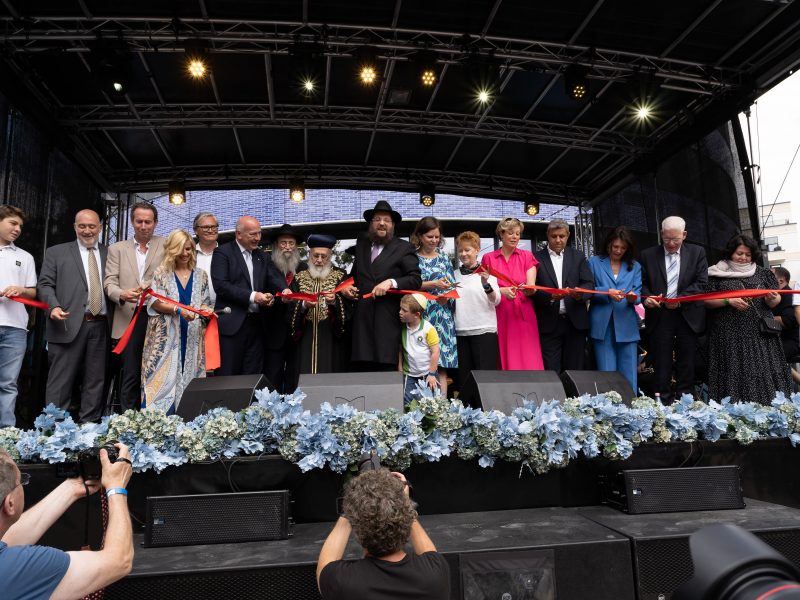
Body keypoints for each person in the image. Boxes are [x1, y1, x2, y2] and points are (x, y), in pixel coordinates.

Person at [0, 443, 133, 600]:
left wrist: (72, 488)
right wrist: (116, 487)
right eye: (22, 480)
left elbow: (9, 540)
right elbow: (118, 561)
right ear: (10, 503)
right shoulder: (29, 566)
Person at [317, 469, 450, 600]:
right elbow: (428, 550)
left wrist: (349, 507)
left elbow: (325, 565)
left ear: (357, 531)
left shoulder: (343, 583)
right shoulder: (435, 572)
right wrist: (405, 503)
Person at [38, 209, 110, 423]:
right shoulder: (56, 252)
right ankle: (53, 432)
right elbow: (44, 285)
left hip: (101, 325)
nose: (87, 231)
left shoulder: (110, 253)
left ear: (100, 227)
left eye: (92, 226)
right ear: (74, 227)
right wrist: (53, 307)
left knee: (95, 380)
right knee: (60, 382)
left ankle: (89, 428)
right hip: (66, 323)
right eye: (82, 226)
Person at [704, 235, 791, 404]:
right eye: (739, 253)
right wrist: (727, 301)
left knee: (763, 370)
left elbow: (775, 301)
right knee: (734, 372)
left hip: (761, 334)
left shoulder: (764, 273)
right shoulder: (716, 273)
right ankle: (735, 417)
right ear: (731, 253)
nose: (744, 258)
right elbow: (705, 302)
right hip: (729, 335)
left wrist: (772, 299)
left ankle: (770, 413)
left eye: (748, 255)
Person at [341, 200, 422, 371]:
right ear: (371, 224)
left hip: (388, 323)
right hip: (361, 322)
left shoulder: (404, 247)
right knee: (361, 373)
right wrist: (346, 288)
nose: (382, 223)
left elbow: (415, 280)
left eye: (386, 220)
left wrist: (391, 282)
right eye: (377, 219)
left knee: (386, 375)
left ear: (392, 225)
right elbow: (354, 277)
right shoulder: (362, 244)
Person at [141, 230, 212, 414]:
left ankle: (189, 420)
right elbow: (155, 302)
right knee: (163, 376)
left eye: (188, 249)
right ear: (172, 250)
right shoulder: (161, 273)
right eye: (180, 249)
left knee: (191, 374)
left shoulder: (201, 275)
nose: (185, 253)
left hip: (193, 334)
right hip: (166, 337)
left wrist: (206, 309)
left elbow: (204, 301)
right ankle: (158, 423)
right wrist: (178, 310)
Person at [104, 201, 165, 412]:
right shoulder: (116, 249)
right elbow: (109, 282)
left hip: (158, 318)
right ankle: (128, 419)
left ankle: (153, 418)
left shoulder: (166, 246)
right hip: (127, 318)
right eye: (139, 221)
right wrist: (122, 293)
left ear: (156, 223)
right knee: (130, 372)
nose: (143, 225)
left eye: (148, 221)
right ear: (132, 222)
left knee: (156, 371)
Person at [640, 216, 708, 402]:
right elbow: (642, 284)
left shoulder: (697, 252)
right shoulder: (648, 255)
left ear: (684, 235)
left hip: (687, 313)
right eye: (667, 239)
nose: (671, 244)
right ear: (661, 234)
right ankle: (662, 399)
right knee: (661, 360)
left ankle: (685, 399)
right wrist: (647, 299)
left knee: (687, 359)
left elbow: (702, 283)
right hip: (660, 314)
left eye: (675, 239)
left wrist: (680, 299)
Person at [211, 216, 280, 376]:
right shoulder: (223, 252)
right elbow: (221, 286)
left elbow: (274, 278)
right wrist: (253, 296)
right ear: (238, 234)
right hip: (232, 326)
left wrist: (282, 292)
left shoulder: (262, 256)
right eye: (253, 234)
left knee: (253, 376)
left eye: (259, 233)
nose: (257, 238)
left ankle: (250, 403)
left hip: (257, 325)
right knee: (228, 375)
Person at [480, 218, 544, 370]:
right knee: (502, 356)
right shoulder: (488, 258)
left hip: (523, 313)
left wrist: (530, 289)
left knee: (528, 356)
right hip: (499, 313)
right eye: (511, 233)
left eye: (518, 233)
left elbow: (531, 286)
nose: (515, 237)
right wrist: (501, 291)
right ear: (501, 234)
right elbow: (483, 286)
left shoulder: (527, 256)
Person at [532, 218, 595, 373]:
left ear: (568, 235)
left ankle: (574, 398)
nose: (558, 240)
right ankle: (555, 398)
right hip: (549, 322)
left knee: (575, 369)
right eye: (554, 236)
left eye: (562, 236)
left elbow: (589, 283)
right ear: (547, 235)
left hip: (575, 321)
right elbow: (532, 289)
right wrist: (551, 296)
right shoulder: (536, 257)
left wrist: (579, 294)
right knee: (551, 369)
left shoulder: (578, 256)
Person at [587, 226, 642, 393]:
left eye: (623, 248)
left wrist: (633, 297)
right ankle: (608, 410)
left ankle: (631, 407)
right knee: (606, 371)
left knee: (629, 372)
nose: (618, 251)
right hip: (601, 323)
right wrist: (606, 293)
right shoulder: (594, 262)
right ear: (608, 244)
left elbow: (638, 294)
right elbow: (588, 291)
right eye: (615, 246)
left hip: (626, 322)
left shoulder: (635, 266)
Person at [288, 234, 348, 375]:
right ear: (309, 255)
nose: (319, 260)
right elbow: (289, 309)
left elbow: (349, 310)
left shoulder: (341, 276)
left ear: (330, 256)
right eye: (316, 256)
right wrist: (303, 305)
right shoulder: (298, 277)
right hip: (304, 340)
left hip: (331, 340)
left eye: (324, 256)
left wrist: (334, 301)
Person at [0, 205, 37, 428]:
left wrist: (20, 290)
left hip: (15, 328)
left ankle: (5, 436)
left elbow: (33, 291)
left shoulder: (25, 257)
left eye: (20, 226)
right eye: (13, 223)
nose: (17, 229)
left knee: (8, 384)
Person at [411, 217, 457, 397]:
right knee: (421, 361)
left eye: (437, 237)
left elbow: (452, 285)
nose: (434, 240)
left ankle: (442, 406)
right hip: (421, 315)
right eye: (430, 236)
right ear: (420, 236)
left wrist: (447, 297)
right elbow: (411, 284)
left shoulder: (444, 258)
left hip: (442, 316)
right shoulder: (413, 258)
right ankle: (420, 405)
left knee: (442, 363)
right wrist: (432, 284)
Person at [452, 231, 500, 391]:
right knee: (465, 380)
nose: (463, 254)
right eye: (460, 251)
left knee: (485, 379)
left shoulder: (488, 274)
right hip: (461, 332)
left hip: (484, 331)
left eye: (467, 250)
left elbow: (496, 300)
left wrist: (486, 284)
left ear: (477, 250)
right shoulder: (454, 275)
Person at [263, 224, 307, 393]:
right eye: (283, 243)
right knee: (272, 379)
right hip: (273, 331)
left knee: (295, 379)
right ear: (275, 245)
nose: (288, 247)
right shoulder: (267, 267)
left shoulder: (304, 268)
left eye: (291, 243)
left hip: (298, 333)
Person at [399, 293, 440, 405]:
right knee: (407, 404)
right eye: (400, 308)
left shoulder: (428, 329)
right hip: (410, 375)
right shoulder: (402, 328)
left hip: (428, 374)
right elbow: (400, 350)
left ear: (416, 314)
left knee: (432, 404)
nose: (400, 312)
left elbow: (435, 352)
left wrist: (431, 374)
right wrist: (400, 370)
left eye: (404, 310)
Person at [770, 267, 800, 365]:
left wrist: (763, 318)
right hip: (776, 340)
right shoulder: (773, 295)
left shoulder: (790, 295)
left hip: (789, 341)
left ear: (781, 281)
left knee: (769, 357)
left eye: (769, 277)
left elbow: (788, 321)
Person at [193, 212, 219, 309]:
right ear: (196, 230)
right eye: (205, 227)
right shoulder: (187, 255)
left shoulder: (228, 254)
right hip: (195, 311)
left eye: (214, 226)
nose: (210, 230)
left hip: (224, 311)